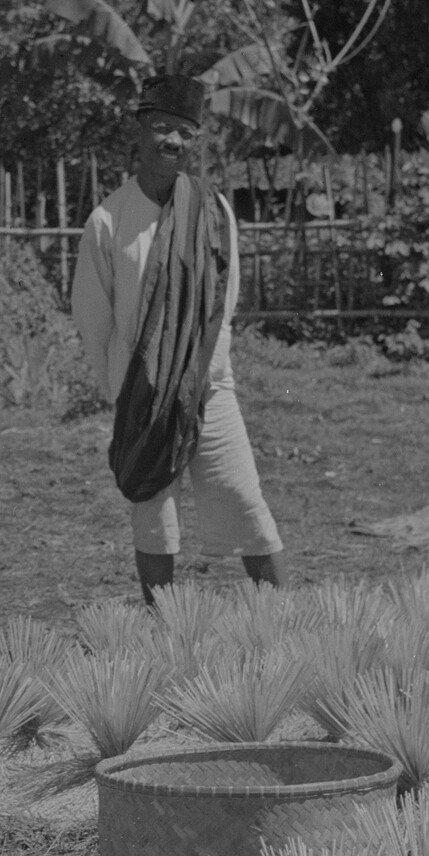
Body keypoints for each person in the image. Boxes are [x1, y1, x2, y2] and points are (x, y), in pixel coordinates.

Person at [72, 71, 284, 603]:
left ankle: (286, 623)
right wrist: (126, 387)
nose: (173, 141)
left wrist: (200, 373)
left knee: (245, 502)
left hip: (210, 389)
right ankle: (164, 634)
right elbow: (93, 319)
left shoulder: (213, 213)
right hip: (142, 396)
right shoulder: (108, 220)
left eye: (185, 132)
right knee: (154, 514)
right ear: (139, 133)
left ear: (196, 142)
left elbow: (224, 304)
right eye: (162, 128)